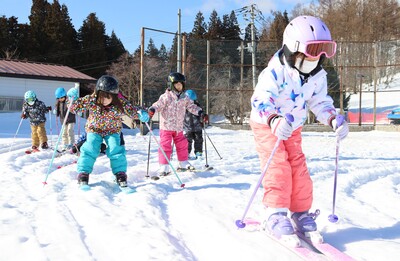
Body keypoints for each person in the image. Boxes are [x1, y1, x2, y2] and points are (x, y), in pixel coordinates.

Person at [249, 16, 349, 239]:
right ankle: (274, 213)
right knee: (278, 166)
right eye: (311, 51)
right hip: (267, 125)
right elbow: (260, 100)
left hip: (293, 127)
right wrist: (274, 120)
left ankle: (300, 212)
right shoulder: (274, 72)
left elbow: (320, 102)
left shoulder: (316, 75)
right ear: (292, 49)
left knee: (298, 168)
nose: (316, 58)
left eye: (323, 51)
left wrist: (333, 118)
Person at [67, 75, 149, 187]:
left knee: (116, 148)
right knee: (91, 147)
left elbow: (132, 109)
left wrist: (141, 113)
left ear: (114, 96)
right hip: (94, 129)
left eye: (108, 97)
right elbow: (75, 108)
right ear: (97, 93)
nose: (104, 100)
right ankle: (83, 172)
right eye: (102, 97)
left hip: (112, 130)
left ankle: (120, 173)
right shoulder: (91, 100)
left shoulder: (119, 103)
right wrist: (72, 100)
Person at [148, 72, 204, 175]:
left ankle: (183, 163)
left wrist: (200, 112)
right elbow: (158, 105)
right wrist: (152, 109)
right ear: (171, 85)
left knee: (183, 145)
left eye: (181, 84)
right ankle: (164, 166)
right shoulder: (166, 97)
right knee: (165, 146)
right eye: (176, 84)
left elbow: (191, 106)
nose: (179, 86)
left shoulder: (185, 98)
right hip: (166, 127)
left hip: (178, 128)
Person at [183, 90, 207, 159]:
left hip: (197, 127)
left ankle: (198, 153)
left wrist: (203, 116)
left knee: (198, 140)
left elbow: (201, 112)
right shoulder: (183, 106)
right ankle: (186, 153)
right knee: (187, 141)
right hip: (187, 127)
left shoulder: (197, 106)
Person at [54, 87, 76, 151]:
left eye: (61, 98)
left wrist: (74, 109)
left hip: (70, 119)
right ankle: (65, 144)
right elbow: (57, 108)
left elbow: (73, 107)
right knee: (64, 132)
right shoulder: (58, 102)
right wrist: (55, 111)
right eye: (58, 98)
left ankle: (71, 144)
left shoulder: (68, 100)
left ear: (64, 95)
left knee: (69, 131)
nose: (60, 99)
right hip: (63, 120)